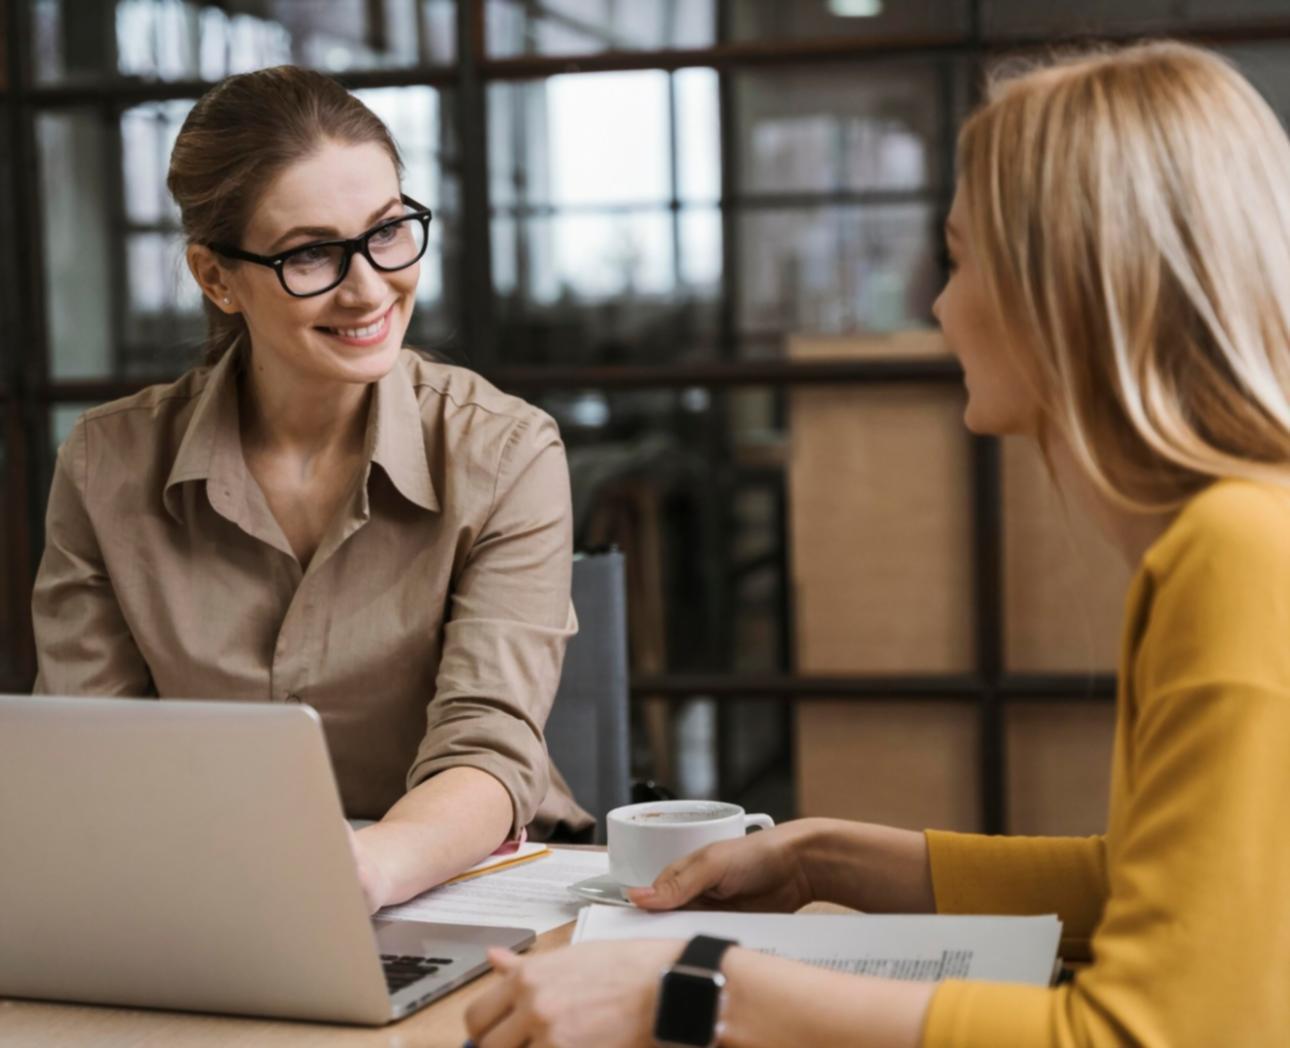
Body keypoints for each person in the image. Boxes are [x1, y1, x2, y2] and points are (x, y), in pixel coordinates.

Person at [464, 41, 1290, 1047]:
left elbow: (1151, 1033)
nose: (940, 307)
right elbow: (1145, 885)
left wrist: (690, 988)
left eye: (960, 257)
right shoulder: (1243, 530)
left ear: (1064, 289)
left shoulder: (1240, 558)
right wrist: (825, 860)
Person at [31, 66, 592, 914]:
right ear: (217, 278)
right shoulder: (108, 464)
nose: (369, 287)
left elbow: (486, 747)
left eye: (389, 231)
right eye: (311, 254)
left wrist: (349, 877)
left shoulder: (506, 452)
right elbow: (91, 758)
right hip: (208, 896)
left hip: (462, 884)